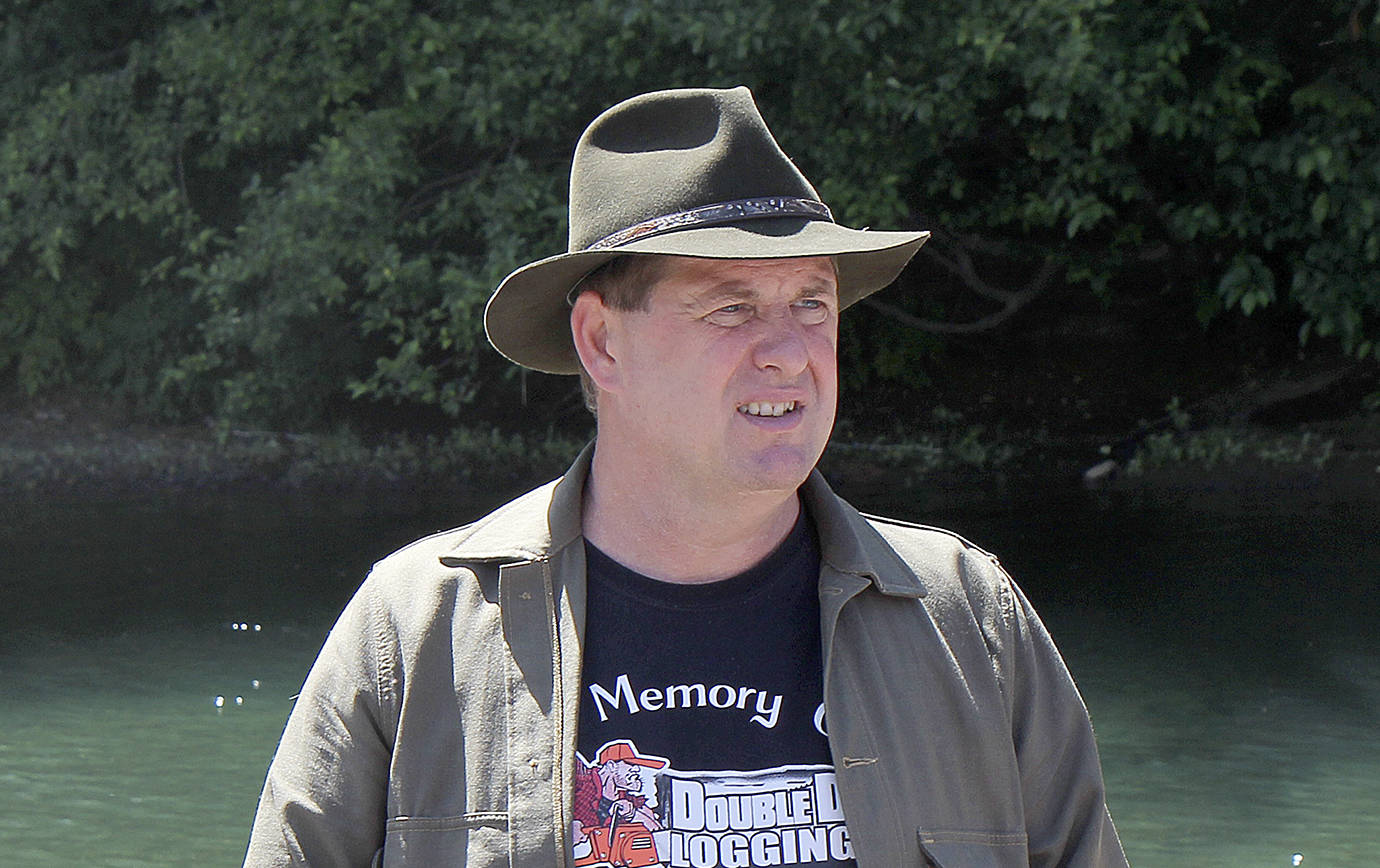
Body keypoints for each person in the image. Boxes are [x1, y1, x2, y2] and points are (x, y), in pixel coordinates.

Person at [244, 86, 1129, 868]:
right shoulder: (413, 630)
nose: (788, 354)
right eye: (731, 307)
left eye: (811, 305)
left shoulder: (969, 618)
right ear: (603, 342)